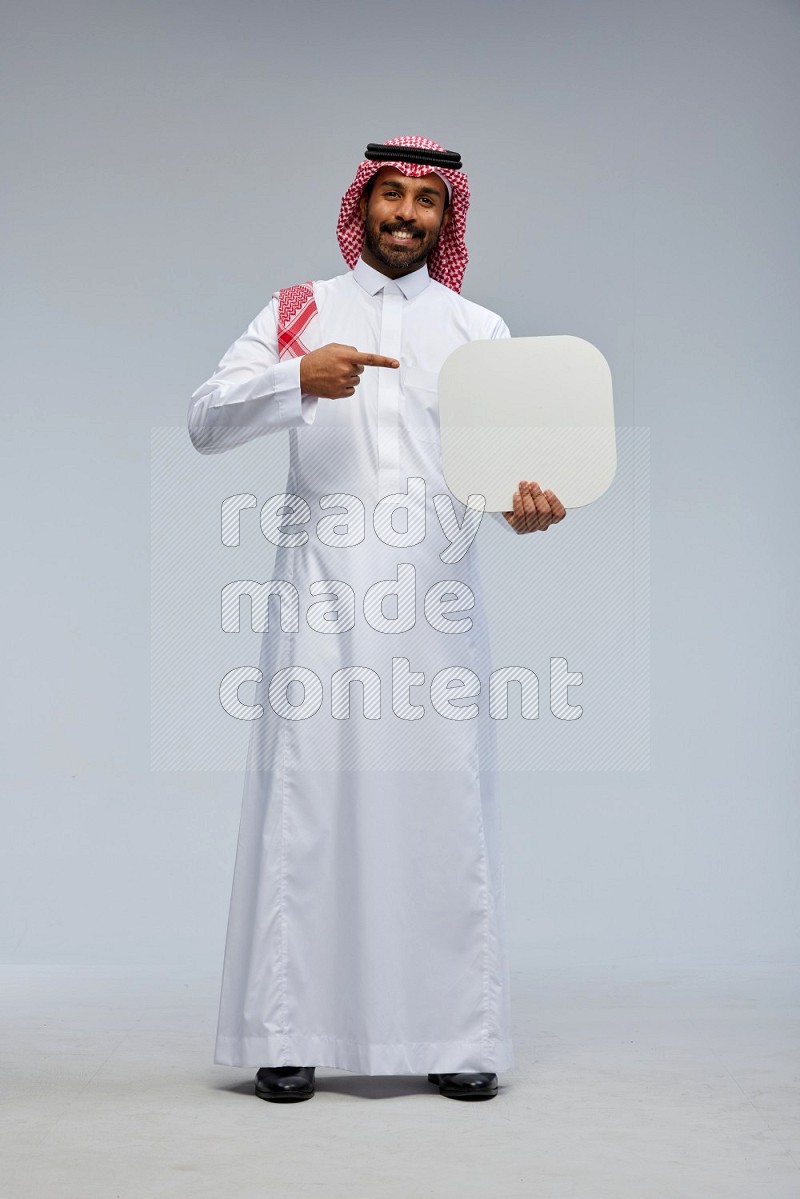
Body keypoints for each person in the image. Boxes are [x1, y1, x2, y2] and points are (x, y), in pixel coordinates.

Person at [187, 135, 566, 1103]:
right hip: (318, 599)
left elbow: (506, 477)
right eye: (388, 195)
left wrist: (530, 504)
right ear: (360, 205)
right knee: (307, 808)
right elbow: (205, 419)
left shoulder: (480, 329)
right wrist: (292, 379)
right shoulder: (298, 311)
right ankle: (288, 1029)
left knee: (441, 811)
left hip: (435, 610)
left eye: (423, 201)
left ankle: (456, 1033)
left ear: (447, 218)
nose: (404, 214)